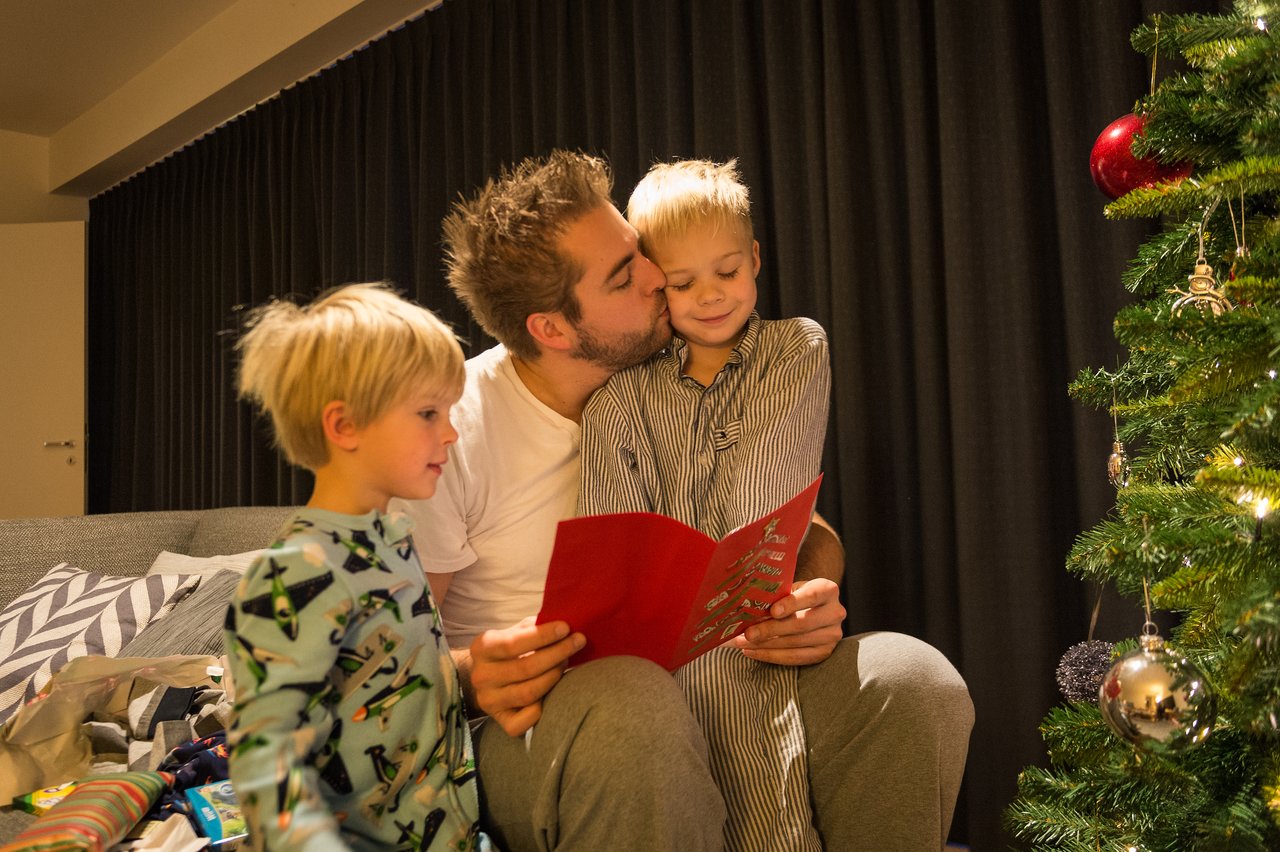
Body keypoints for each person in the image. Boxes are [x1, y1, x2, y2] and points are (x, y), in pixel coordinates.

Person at [400, 151, 974, 852]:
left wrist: (811, 583)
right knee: (632, 704)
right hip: (545, 722)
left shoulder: (675, 366)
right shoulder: (448, 428)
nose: (656, 276)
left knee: (909, 678)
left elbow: (783, 517)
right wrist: (470, 672)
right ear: (552, 327)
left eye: (639, 254)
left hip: (721, 670)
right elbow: (385, 668)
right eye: (625, 275)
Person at [577, 158, 828, 851]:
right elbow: (614, 548)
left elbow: (761, 512)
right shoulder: (618, 401)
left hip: (748, 623)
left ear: (754, 259)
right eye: (684, 283)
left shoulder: (794, 348)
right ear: (656, 285)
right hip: (656, 648)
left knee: (729, 664)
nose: (711, 296)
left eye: (727, 272)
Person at [227, 283, 489, 850]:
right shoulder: (296, 572)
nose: (451, 431)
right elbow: (264, 766)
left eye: (448, 411)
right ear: (343, 426)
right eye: (427, 413)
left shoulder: (392, 541)